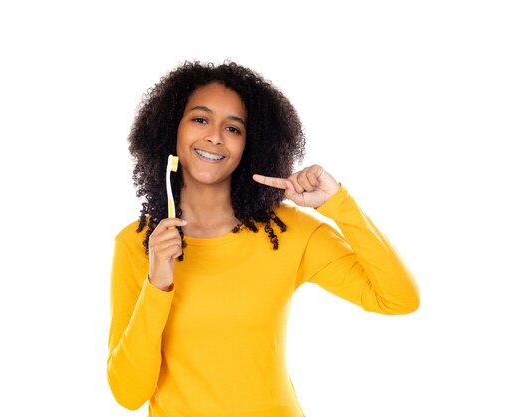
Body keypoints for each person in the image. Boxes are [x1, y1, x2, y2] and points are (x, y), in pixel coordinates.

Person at [107, 61, 420, 416]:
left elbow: (399, 299)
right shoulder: (137, 245)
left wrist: (338, 204)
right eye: (200, 119)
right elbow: (129, 393)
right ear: (171, 131)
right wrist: (157, 284)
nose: (215, 136)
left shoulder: (289, 232)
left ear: (249, 145)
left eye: (233, 128)